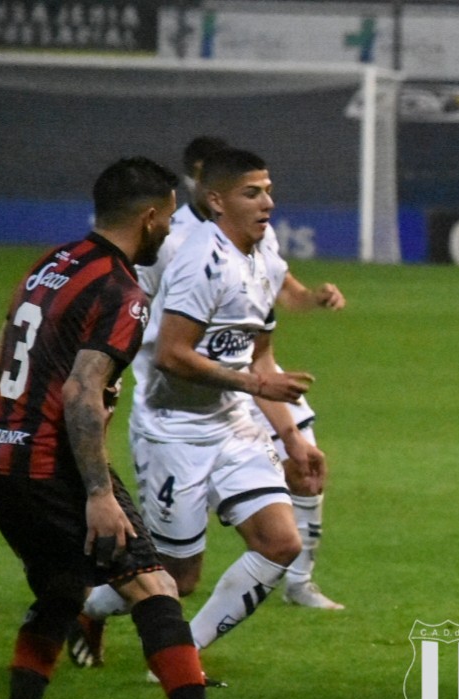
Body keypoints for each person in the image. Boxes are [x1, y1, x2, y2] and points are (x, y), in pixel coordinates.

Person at [0, 156, 292, 699]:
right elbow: (80, 391)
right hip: (51, 462)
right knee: (155, 582)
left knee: (62, 588)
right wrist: (98, 492)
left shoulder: (50, 264)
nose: (170, 231)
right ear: (149, 218)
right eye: (168, 219)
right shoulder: (123, 291)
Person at [69, 139, 345, 669]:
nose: (267, 202)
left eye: (268, 190)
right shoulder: (200, 262)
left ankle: (180, 657)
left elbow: (260, 358)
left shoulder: (263, 259)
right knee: (178, 577)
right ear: (217, 200)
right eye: (251, 193)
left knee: (280, 543)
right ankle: (90, 607)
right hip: (172, 430)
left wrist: (292, 439)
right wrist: (253, 386)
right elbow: (172, 355)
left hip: (233, 424)